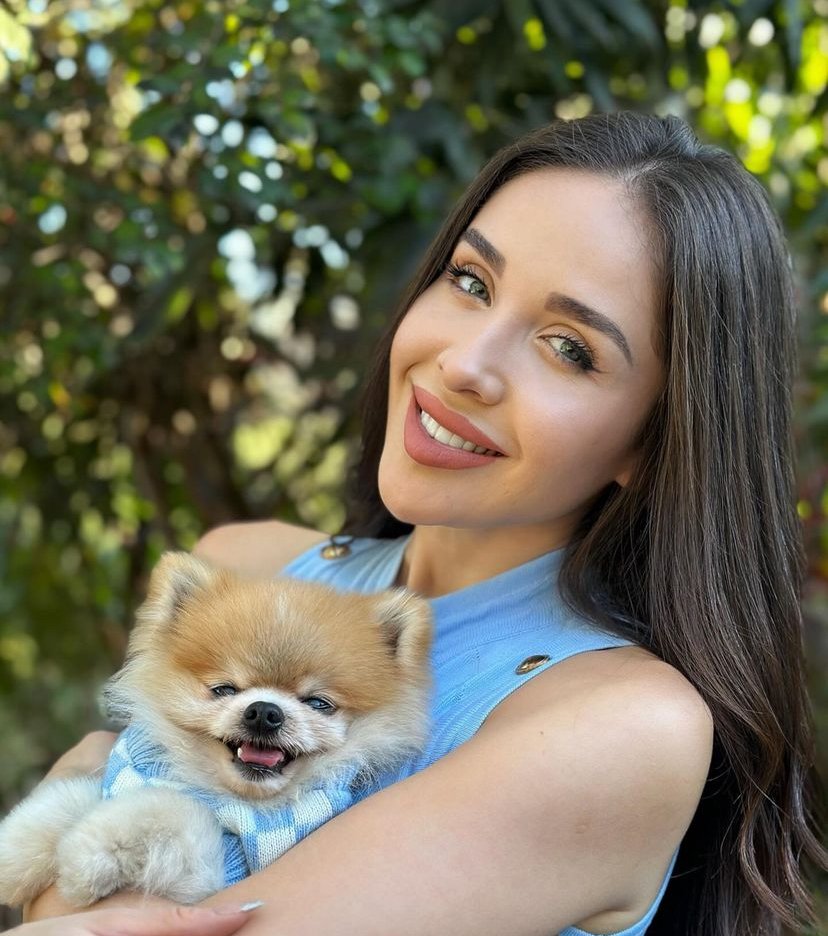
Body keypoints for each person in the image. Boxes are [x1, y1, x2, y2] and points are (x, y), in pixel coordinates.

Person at [23, 112, 826, 936]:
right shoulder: (245, 568)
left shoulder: (620, 726)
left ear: (658, 441)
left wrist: (81, 775)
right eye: (471, 281)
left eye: (569, 347)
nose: (465, 364)